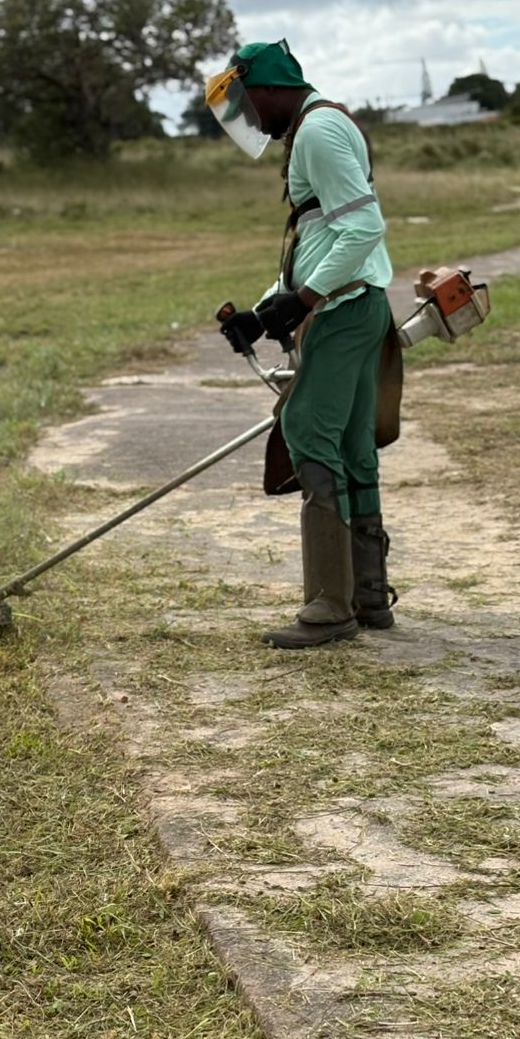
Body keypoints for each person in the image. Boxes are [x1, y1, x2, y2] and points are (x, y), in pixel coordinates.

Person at [206, 40, 399, 648]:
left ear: (266, 90)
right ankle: (367, 598)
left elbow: (365, 228)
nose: (252, 120)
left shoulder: (315, 132)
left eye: (249, 106)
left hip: (342, 310)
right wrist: (266, 312)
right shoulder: (322, 124)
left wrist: (307, 299)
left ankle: (327, 607)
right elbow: (321, 237)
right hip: (355, 304)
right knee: (349, 445)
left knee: (308, 432)